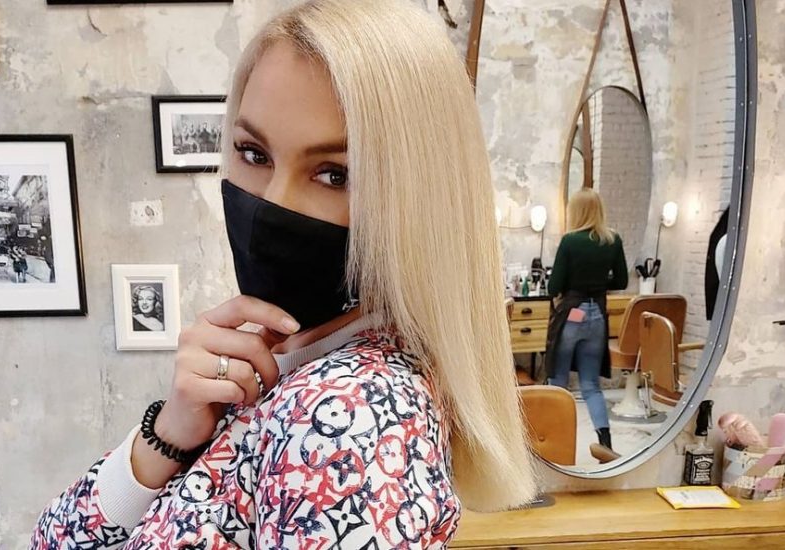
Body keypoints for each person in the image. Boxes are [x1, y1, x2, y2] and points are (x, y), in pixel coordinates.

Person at [32, 1, 535, 548]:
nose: (273, 203)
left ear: (417, 198)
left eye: (335, 174)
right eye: (253, 154)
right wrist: (170, 433)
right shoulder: (279, 368)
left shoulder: (346, 415)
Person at [544, 189, 629, 451]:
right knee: (591, 385)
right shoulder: (612, 240)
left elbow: (554, 286)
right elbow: (622, 281)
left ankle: (553, 441)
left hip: (573, 312)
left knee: (558, 381)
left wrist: (572, 283)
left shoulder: (570, 241)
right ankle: (605, 442)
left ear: (576, 212)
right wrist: (599, 283)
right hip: (597, 315)